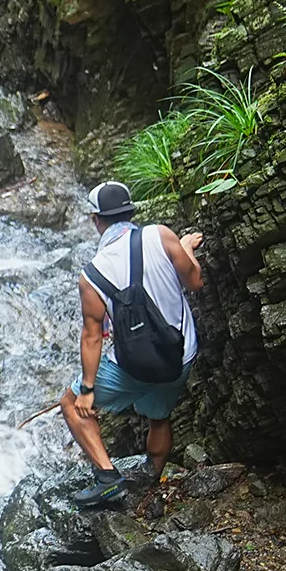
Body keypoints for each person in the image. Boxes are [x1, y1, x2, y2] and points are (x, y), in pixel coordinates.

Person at [63, 181, 204, 506]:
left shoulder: (93, 273)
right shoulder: (162, 235)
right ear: (130, 213)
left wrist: (87, 389)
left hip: (134, 367)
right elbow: (195, 282)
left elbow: (93, 336)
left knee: (70, 405)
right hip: (179, 356)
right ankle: (152, 475)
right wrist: (185, 248)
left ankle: (108, 478)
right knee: (159, 415)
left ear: (96, 219)